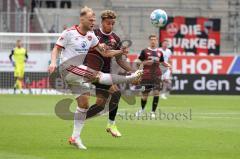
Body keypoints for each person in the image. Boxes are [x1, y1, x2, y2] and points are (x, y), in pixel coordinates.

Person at [48, 6, 142, 150]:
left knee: (84, 105)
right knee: (97, 76)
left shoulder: (91, 36)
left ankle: (75, 138)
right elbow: (56, 48)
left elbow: (105, 53)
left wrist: (120, 51)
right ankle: (130, 79)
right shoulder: (69, 33)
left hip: (79, 74)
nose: (93, 22)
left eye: (94, 19)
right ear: (82, 19)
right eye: (91, 19)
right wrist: (54, 62)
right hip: (67, 68)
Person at [85, 10, 135, 137]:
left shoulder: (116, 39)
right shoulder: (93, 34)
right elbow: (103, 53)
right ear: (102, 22)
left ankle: (79, 118)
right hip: (93, 71)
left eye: (113, 23)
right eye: (108, 23)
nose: (110, 26)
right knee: (116, 93)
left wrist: (133, 72)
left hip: (105, 74)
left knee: (100, 105)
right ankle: (111, 124)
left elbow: (119, 60)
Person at [135, 35, 171, 118]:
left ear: (157, 41)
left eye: (154, 40)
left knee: (156, 93)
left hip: (157, 75)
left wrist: (168, 65)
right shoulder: (144, 51)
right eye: (151, 40)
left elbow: (162, 62)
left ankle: (153, 112)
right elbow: (138, 61)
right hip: (146, 76)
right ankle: (142, 110)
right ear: (149, 41)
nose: (153, 41)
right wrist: (143, 63)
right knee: (144, 96)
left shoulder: (160, 52)